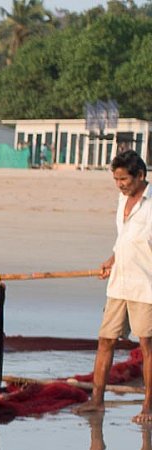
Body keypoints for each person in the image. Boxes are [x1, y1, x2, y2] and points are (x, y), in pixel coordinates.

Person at [88, 150, 152, 424]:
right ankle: (96, 401)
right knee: (106, 340)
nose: (119, 185)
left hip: (145, 286)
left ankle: (148, 406)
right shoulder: (122, 199)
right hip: (119, 283)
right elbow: (124, 239)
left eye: (123, 179)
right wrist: (112, 260)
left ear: (140, 175)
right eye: (115, 179)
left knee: (147, 345)